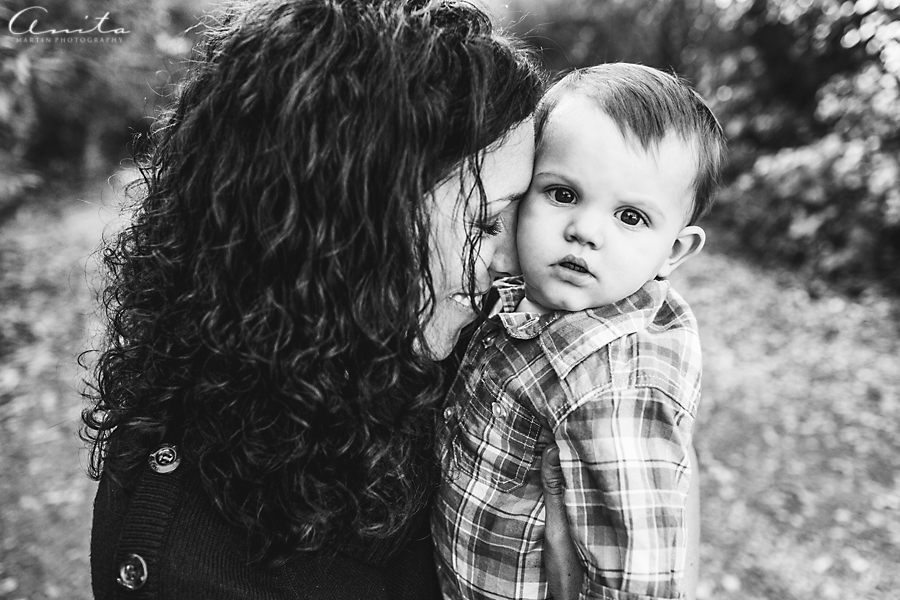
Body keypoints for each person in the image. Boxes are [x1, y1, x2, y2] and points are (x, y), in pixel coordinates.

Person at [81, 1, 550, 598]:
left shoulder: (418, 361)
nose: (514, 261)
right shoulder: (194, 565)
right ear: (350, 230)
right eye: (486, 221)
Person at [432, 63, 727, 600]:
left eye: (631, 217)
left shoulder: (612, 377)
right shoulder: (520, 295)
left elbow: (640, 571)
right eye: (563, 194)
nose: (586, 231)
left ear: (673, 253)